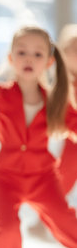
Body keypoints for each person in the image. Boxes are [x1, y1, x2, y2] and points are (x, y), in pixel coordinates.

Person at [0, 26, 77, 248]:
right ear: (11, 58)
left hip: (44, 178)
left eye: (37, 54)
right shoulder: (1, 95)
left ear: (49, 62)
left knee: (68, 224)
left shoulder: (54, 100)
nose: (29, 59)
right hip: (5, 178)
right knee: (7, 229)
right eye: (22, 53)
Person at [57, 24, 77, 194]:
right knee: (64, 178)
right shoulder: (62, 85)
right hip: (72, 142)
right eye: (74, 48)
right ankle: (44, 218)